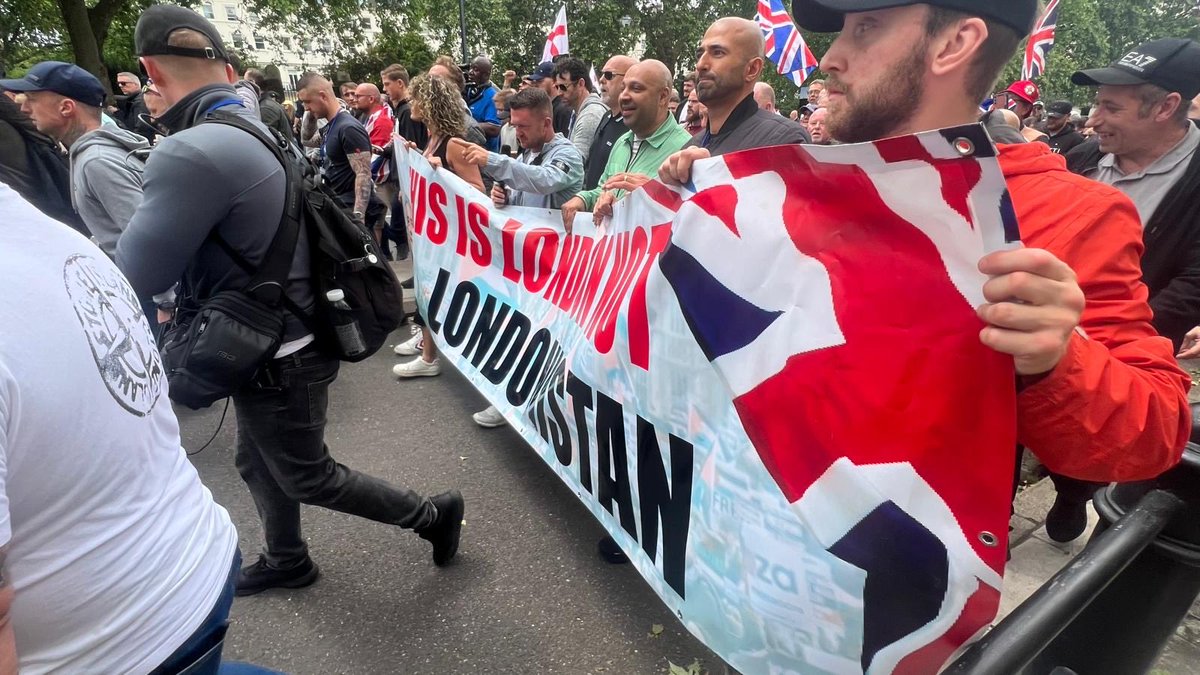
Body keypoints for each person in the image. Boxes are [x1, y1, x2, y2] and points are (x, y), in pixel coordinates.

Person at [663, 0, 1190, 560]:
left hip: (895, 574)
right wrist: (692, 204)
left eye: (865, 30)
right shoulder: (798, 176)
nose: (831, 58)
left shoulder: (1063, 211)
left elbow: (1152, 435)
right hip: (745, 527)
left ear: (955, 43)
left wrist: (1058, 360)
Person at [117, 6, 465, 595]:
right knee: (258, 462)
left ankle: (433, 515)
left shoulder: (192, 149)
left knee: (309, 475)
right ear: (227, 70)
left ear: (149, 69)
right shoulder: (258, 128)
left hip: (278, 350)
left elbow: (132, 272)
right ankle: (287, 558)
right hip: (289, 332)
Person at [0, 181, 241, 675]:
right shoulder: (50, 233)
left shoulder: (86, 181)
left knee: (298, 470)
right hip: (190, 563)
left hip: (114, 646)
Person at [454, 86, 584, 429]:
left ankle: (536, 404)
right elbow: (523, 187)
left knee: (547, 337)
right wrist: (503, 193)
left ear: (546, 122)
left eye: (523, 127)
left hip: (558, 266)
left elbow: (544, 182)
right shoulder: (526, 154)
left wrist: (492, 162)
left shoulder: (567, 155)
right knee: (524, 329)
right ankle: (516, 398)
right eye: (514, 125)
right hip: (528, 265)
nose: (518, 132)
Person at [1068, 38, 1200, 351]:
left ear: (1165, 107)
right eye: (1098, 103)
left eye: (1111, 108)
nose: (1093, 120)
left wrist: (1110, 340)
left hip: (1125, 360)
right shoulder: (1081, 159)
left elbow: (1193, 285)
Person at [2, 62, 149, 259]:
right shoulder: (95, 153)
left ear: (66, 108)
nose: (23, 108)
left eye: (31, 99)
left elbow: (151, 246)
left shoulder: (96, 162)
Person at [392, 73, 486, 378]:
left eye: (416, 97)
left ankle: (463, 362)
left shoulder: (455, 144)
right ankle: (429, 356)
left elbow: (478, 192)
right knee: (429, 294)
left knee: (459, 303)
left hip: (455, 241)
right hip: (437, 237)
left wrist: (443, 176)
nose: (411, 103)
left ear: (429, 103)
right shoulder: (431, 140)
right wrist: (418, 159)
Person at [562, 59, 691, 238]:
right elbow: (604, 189)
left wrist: (652, 197)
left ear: (663, 97)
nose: (624, 96)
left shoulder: (686, 149)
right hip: (615, 259)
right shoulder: (622, 142)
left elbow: (690, 218)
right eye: (623, 88)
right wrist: (583, 199)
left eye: (636, 89)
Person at [688, 17, 810, 152]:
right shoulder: (690, 148)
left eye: (717, 53)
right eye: (699, 55)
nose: (700, 65)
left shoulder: (781, 141)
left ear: (752, 69)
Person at [584, 55, 637, 190]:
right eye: (602, 74)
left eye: (609, 75)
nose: (601, 80)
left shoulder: (633, 126)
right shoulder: (606, 117)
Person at [554, 56, 608, 162]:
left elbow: (575, 163)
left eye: (563, 87)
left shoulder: (590, 115)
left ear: (581, 84)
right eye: (557, 87)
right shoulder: (578, 111)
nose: (559, 93)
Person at [244, 67, 294, 143]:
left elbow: (266, 141)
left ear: (252, 82)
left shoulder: (265, 108)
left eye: (245, 83)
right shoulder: (267, 104)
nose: (244, 87)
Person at [466, 56, 502, 151]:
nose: (470, 72)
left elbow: (494, 128)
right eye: (471, 68)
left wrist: (464, 125)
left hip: (485, 156)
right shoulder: (469, 91)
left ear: (486, 75)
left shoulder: (492, 96)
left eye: (476, 69)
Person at [994, 79, 1047, 143]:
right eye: (1004, 99)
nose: (1005, 105)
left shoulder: (1036, 139)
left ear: (1026, 109)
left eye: (1011, 101)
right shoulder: (987, 131)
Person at [528, 61, 573, 134]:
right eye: (534, 81)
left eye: (540, 81)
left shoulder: (563, 109)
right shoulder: (544, 107)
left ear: (553, 81)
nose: (536, 84)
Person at [113, 70, 154, 142]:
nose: (120, 86)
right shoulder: (133, 100)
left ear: (136, 84)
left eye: (123, 83)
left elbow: (142, 129)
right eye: (118, 83)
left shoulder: (140, 102)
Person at [354, 82, 394, 149]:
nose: (355, 100)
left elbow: (376, 155)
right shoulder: (372, 118)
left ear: (371, 99)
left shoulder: (382, 122)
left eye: (358, 96)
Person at [494, 87, 519, 155]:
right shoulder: (504, 128)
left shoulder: (519, 131)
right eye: (497, 110)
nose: (498, 113)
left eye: (501, 110)